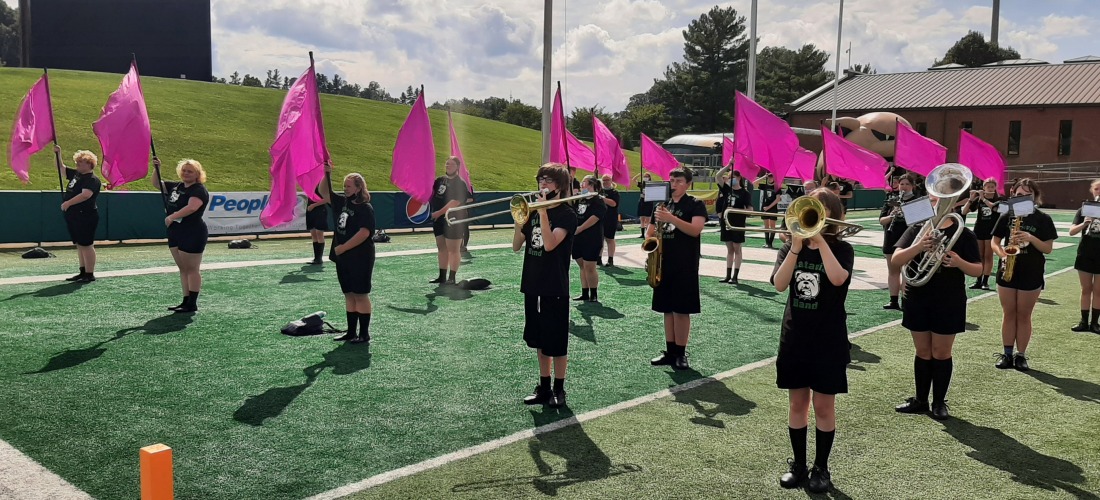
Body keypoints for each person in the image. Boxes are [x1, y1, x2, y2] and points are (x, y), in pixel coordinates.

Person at [770, 188, 853, 494]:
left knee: (824, 407)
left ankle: (822, 467)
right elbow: (779, 285)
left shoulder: (843, 250)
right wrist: (795, 248)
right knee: (797, 404)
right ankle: (799, 464)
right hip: (795, 337)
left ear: (828, 217)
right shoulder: (790, 248)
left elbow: (837, 278)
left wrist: (820, 244)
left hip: (828, 339)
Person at [891, 192, 982, 420]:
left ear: (954, 203)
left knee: (941, 352)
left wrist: (959, 262)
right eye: (934, 200)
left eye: (943, 200)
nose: (937, 204)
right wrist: (920, 246)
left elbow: (978, 270)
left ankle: (939, 402)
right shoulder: (917, 229)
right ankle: (921, 399)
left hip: (948, 298)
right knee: (922, 351)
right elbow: (896, 260)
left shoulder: (963, 233)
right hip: (918, 296)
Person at [514, 163, 577, 408]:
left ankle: (559, 389)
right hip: (532, 283)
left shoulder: (566, 215)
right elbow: (516, 245)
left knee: (557, 342)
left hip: (554, 286)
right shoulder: (532, 213)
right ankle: (544, 386)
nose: (543, 185)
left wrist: (542, 213)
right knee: (540, 340)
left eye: (549, 181)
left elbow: (550, 245)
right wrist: (520, 219)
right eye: (541, 180)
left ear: (560, 186)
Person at [991, 179, 1057, 371]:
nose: (1021, 198)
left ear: (1034, 196)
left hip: (1031, 270)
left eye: (1026, 194)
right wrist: (1002, 255)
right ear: (1013, 194)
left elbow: (1048, 248)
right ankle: (1007, 353)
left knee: (1024, 315)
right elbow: (994, 242)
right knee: (1009, 313)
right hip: (1007, 270)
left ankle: (1021, 355)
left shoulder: (1043, 219)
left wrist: (1030, 238)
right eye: (1018, 194)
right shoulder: (1006, 215)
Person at [649, 167, 708, 370]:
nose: (673, 184)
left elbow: (695, 230)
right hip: (663, 264)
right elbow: (649, 233)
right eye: (671, 180)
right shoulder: (661, 205)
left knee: (681, 311)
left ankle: (681, 353)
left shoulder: (695, 204)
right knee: (667, 309)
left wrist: (671, 219)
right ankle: (670, 351)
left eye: (678, 181)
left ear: (688, 184)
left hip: (685, 264)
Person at [318, 163, 376, 344]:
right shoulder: (342, 203)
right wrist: (325, 173)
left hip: (360, 256)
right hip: (343, 257)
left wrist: (344, 247)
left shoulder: (365, 208)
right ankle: (351, 332)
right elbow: (324, 193)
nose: (345, 189)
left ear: (359, 188)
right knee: (349, 294)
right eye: (344, 186)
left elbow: (364, 233)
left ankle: (364, 334)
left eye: (348, 186)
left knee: (360, 294)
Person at [151, 157, 210, 313]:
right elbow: (157, 184)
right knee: (183, 268)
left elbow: (192, 207)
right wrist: (157, 168)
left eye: (190, 171)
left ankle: (192, 302)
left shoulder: (198, 189)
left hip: (192, 231)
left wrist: (172, 216)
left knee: (192, 269)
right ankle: (185, 300)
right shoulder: (177, 186)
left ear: (197, 173)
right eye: (184, 170)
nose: (186, 173)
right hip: (175, 231)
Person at [54, 146, 102, 283]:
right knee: (80, 244)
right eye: (78, 162)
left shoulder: (91, 179)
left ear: (89, 164)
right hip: (75, 215)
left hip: (85, 215)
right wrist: (58, 154)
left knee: (86, 244)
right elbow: (61, 169)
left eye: (81, 162)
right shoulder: (77, 175)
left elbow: (85, 195)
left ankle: (89, 273)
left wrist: (68, 203)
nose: (78, 165)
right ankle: (82, 271)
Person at [429, 156, 469, 285]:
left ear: (457, 167)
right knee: (441, 248)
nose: (448, 166)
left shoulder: (460, 183)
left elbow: (455, 202)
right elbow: (430, 192)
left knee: (453, 249)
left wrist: (439, 213)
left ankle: (452, 277)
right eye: (446, 164)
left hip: (453, 219)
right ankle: (441, 276)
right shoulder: (440, 180)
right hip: (438, 220)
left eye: (451, 164)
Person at [879, 175, 916, 310]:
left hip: (908, 239)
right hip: (891, 237)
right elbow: (882, 221)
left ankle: (906, 300)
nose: (904, 187)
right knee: (893, 270)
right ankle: (893, 300)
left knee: (906, 271)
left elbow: (919, 222)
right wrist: (892, 215)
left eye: (907, 184)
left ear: (912, 186)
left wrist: (906, 212)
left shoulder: (916, 201)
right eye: (902, 184)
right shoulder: (890, 200)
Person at [1068, 179, 1100, 332]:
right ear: (1093, 191)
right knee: (1085, 289)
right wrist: (1085, 223)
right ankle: (1083, 321)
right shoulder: (1084, 209)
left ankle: (1095, 323)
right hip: (1085, 253)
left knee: (1098, 290)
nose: (1099, 192)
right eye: (1097, 189)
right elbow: (1072, 231)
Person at [962, 178, 1002, 290]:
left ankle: (985, 281)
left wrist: (983, 199)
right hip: (979, 230)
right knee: (979, 256)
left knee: (988, 256)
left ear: (995, 188)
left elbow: (994, 208)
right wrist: (971, 199)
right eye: (987, 187)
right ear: (983, 188)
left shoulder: (998, 199)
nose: (990, 189)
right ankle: (978, 281)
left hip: (991, 231)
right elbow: (964, 211)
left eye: (992, 187)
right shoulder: (979, 200)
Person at [572, 176, 605, 302]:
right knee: (582, 266)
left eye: (584, 182)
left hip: (592, 237)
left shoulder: (598, 201)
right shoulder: (579, 199)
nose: (582, 185)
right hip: (578, 238)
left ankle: (594, 294)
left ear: (591, 185)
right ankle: (584, 292)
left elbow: (595, 217)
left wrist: (580, 228)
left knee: (589, 266)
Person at [716, 165, 751, 284]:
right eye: (730, 177)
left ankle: (735, 275)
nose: (731, 179)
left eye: (733, 177)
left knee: (737, 248)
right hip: (726, 222)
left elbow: (750, 210)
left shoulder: (744, 193)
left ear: (739, 178)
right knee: (729, 249)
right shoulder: (726, 189)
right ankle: (727, 275)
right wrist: (728, 165)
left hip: (738, 223)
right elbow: (718, 176)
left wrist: (737, 210)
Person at [599, 174, 620, 267]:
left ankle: (610, 258)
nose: (605, 182)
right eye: (604, 180)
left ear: (611, 181)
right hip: (600, 218)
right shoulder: (599, 191)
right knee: (600, 239)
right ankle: (598, 258)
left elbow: (613, 204)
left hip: (611, 218)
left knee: (610, 239)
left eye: (607, 180)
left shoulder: (614, 192)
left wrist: (603, 199)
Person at [305, 185, 329, 265]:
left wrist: (314, 205)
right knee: (313, 233)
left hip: (319, 209)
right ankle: (316, 257)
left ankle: (319, 258)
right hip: (311, 210)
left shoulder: (322, 184)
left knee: (319, 233)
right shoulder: (310, 183)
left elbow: (327, 199)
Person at [757, 173, 780, 248]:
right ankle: (767, 243)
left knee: (772, 226)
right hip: (764, 208)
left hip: (772, 208)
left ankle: (770, 243)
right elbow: (754, 183)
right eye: (769, 177)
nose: (770, 178)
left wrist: (768, 207)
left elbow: (777, 199)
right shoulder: (765, 185)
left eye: (771, 177)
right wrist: (764, 177)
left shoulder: (777, 187)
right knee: (766, 226)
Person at [633, 172, 654, 238]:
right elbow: (633, 180)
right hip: (642, 202)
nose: (646, 177)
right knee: (642, 218)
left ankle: (647, 233)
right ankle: (642, 234)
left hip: (649, 202)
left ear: (649, 177)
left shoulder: (651, 185)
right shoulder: (642, 184)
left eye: (647, 176)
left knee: (647, 219)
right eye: (645, 176)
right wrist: (639, 175)